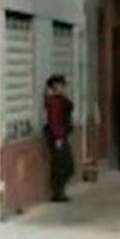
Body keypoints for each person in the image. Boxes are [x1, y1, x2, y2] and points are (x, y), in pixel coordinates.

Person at [43, 74, 75, 202]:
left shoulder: (60, 99)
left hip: (63, 134)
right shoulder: (54, 102)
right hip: (58, 136)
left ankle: (61, 191)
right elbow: (54, 120)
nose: (63, 87)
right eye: (60, 84)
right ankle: (58, 192)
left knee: (66, 164)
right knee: (61, 164)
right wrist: (58, 137)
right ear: (55, 86)